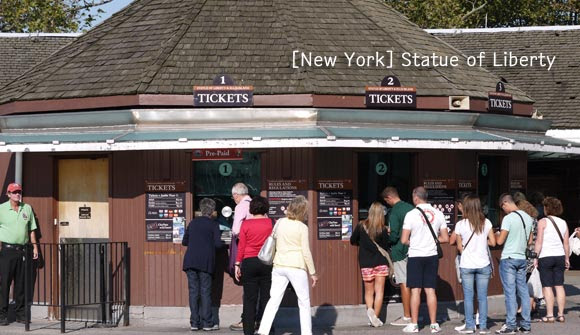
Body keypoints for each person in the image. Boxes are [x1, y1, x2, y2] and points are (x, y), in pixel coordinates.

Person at [257, 196, 318, 335]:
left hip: (279, 265)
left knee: (274, 300)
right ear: (303, 211)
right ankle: (307, 333)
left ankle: (263, 331)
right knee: (303, 302)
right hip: (296, 266)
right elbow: (306, 251)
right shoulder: (302, 227)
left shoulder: (280, 222)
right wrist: (313, 272)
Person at [400, 186, 449, 333]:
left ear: (416, 197)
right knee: (430, 290)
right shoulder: (439, 213)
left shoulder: (410, 214)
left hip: (415, 255)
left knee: (415, 290)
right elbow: (445, 238)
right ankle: (434, 324)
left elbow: (403, 240)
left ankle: (414, 324)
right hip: (431, 255)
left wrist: (415, 242)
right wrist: (432, 241)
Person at [454, 195, 496, 334]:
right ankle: (483, 326)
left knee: (468, 297)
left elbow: (459, 247)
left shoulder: (461, 224)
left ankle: (470, 326)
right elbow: (494, 242)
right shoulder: (487, 222)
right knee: (482, 297)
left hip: (467, 264)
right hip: (483, 263)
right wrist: (483, 242)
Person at [0, 183, 39, 326]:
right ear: (8, 194)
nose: (17, 194)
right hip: (6, 251)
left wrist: (35, 247)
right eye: (14, 192)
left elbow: (31, 230)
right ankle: (2, 315)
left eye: (19, 192)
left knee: (21, 284)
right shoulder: (1, 209)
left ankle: (20, 314)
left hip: (22, 250)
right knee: (4, 284)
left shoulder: (27, 208)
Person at [234, 196, 273, 335]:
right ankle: (268, 330)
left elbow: (242, 246)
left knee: (249, 300)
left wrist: (237, 263)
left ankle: (248, 331)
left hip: (249, 262)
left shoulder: (246, 224)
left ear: (251, 209)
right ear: (266, 208)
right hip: (266, 262)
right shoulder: (271, 223)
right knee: (267, 299)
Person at [182, 198, 223, 331]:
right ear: (212, 211)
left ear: (200, 210)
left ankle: (194, 323)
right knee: (205, 292)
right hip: (205, 262)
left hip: (190, 261)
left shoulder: (193, 223)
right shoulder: (213, 225)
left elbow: (184, 241)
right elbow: (218, 244)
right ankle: (207, 323)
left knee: (193, 292)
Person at [495, 194, 533, 334]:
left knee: (510, 292)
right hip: (522, 258)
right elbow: (529, 241)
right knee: (523, 290)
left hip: (509, 258)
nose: (503, 210)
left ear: (505, 203)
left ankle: (511, 325)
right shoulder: (528, 218)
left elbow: (499, 241)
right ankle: (526, 325)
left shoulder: (508, 218)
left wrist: (497, 234)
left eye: (502, 207)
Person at [350, 202, 389, 327]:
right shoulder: (383, 229)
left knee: (368, 291)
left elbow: (352, 241)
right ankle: (375, 318)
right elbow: (386, 246)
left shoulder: (361, 226)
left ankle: (370, 312)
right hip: (381, 263)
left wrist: (362, 243)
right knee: (379, 291)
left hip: (366, 263)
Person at [533, 197, 570, 323]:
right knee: (559, 285)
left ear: (547, 208)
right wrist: (567, 258)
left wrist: (535, 257)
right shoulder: (563, 222)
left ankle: (550, 315)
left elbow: (539, 241)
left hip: (546, 256)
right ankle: (560, 314)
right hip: (559, 256)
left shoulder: (542, 222)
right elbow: (566, 243)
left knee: (547, 286)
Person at [381, 186, 414, 327]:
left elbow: (394, 235)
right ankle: (415, 314)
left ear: (389, 198)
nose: (387, 204)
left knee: (404, 283)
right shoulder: (411, 207)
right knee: (415, 284)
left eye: (386, 201)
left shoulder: (394, 212)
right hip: (415, 249)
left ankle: (407, 316)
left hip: (400, 251)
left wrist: (387, 238)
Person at [230, 183, 252, 331]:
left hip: (246, 250)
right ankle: (258, 319)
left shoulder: (240, 206)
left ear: (237, 195)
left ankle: (246, 320)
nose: (234, 199)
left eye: (233, 197)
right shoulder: (256, 204)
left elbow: (236, 230)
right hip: (259, 251)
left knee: (248, 289)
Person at [515, 198, 541, 318]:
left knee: (525, 281)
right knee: (531, 279)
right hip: (535, 252)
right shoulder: (536, 220)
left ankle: (524, 308)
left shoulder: (525, 220)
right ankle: (533, 306)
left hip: (527, 252)